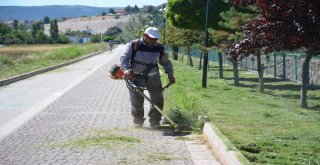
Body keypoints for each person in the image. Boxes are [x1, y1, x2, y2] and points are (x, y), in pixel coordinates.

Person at [120, 27, 176, 129]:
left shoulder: (159, 47)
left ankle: (155, 121)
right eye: (151, 38)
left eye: (155, 39)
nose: (153, 41)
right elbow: (124, 59)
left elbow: (166, 62)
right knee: (136, 101)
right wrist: (125, 70)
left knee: (157, 100)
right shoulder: (133, 45)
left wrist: (170, 73)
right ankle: (138, 121)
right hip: (136, 77)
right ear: (144, 36)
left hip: (153, 77)